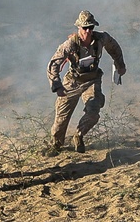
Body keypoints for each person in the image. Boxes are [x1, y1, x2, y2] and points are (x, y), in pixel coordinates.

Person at [47, 10, 126, 153]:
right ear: (79, 28)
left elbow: (114, 48)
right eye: (85, 28)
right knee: (61, 119)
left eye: (91, 27)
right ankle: (56, 145)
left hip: (92, 81)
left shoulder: (101, 39)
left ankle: (78, 135)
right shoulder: (70, 44)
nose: (88, 31)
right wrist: (56, 84)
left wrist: (120, 64)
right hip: (72, 83)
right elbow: (54, 64)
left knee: (93, 111)